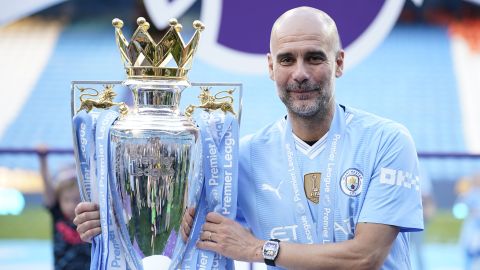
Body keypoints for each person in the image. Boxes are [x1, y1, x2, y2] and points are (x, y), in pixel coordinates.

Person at [74, 6, 423, 269]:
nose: (300, 73)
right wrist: (115, 219)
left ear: (339, 63)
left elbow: (367, 256)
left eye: (314, 58)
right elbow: (184, 236)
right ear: (271, 67)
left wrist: (258, 249)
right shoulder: (239, 158)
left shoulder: (386, 142)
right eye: (287, 60)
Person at [39, 147, 91, 270]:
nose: (71, 205)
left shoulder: (88, 216)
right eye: (66, 200)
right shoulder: (57, 214)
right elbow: (47, 185)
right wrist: (43, 160)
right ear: (59, 200)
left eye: (76, 200)